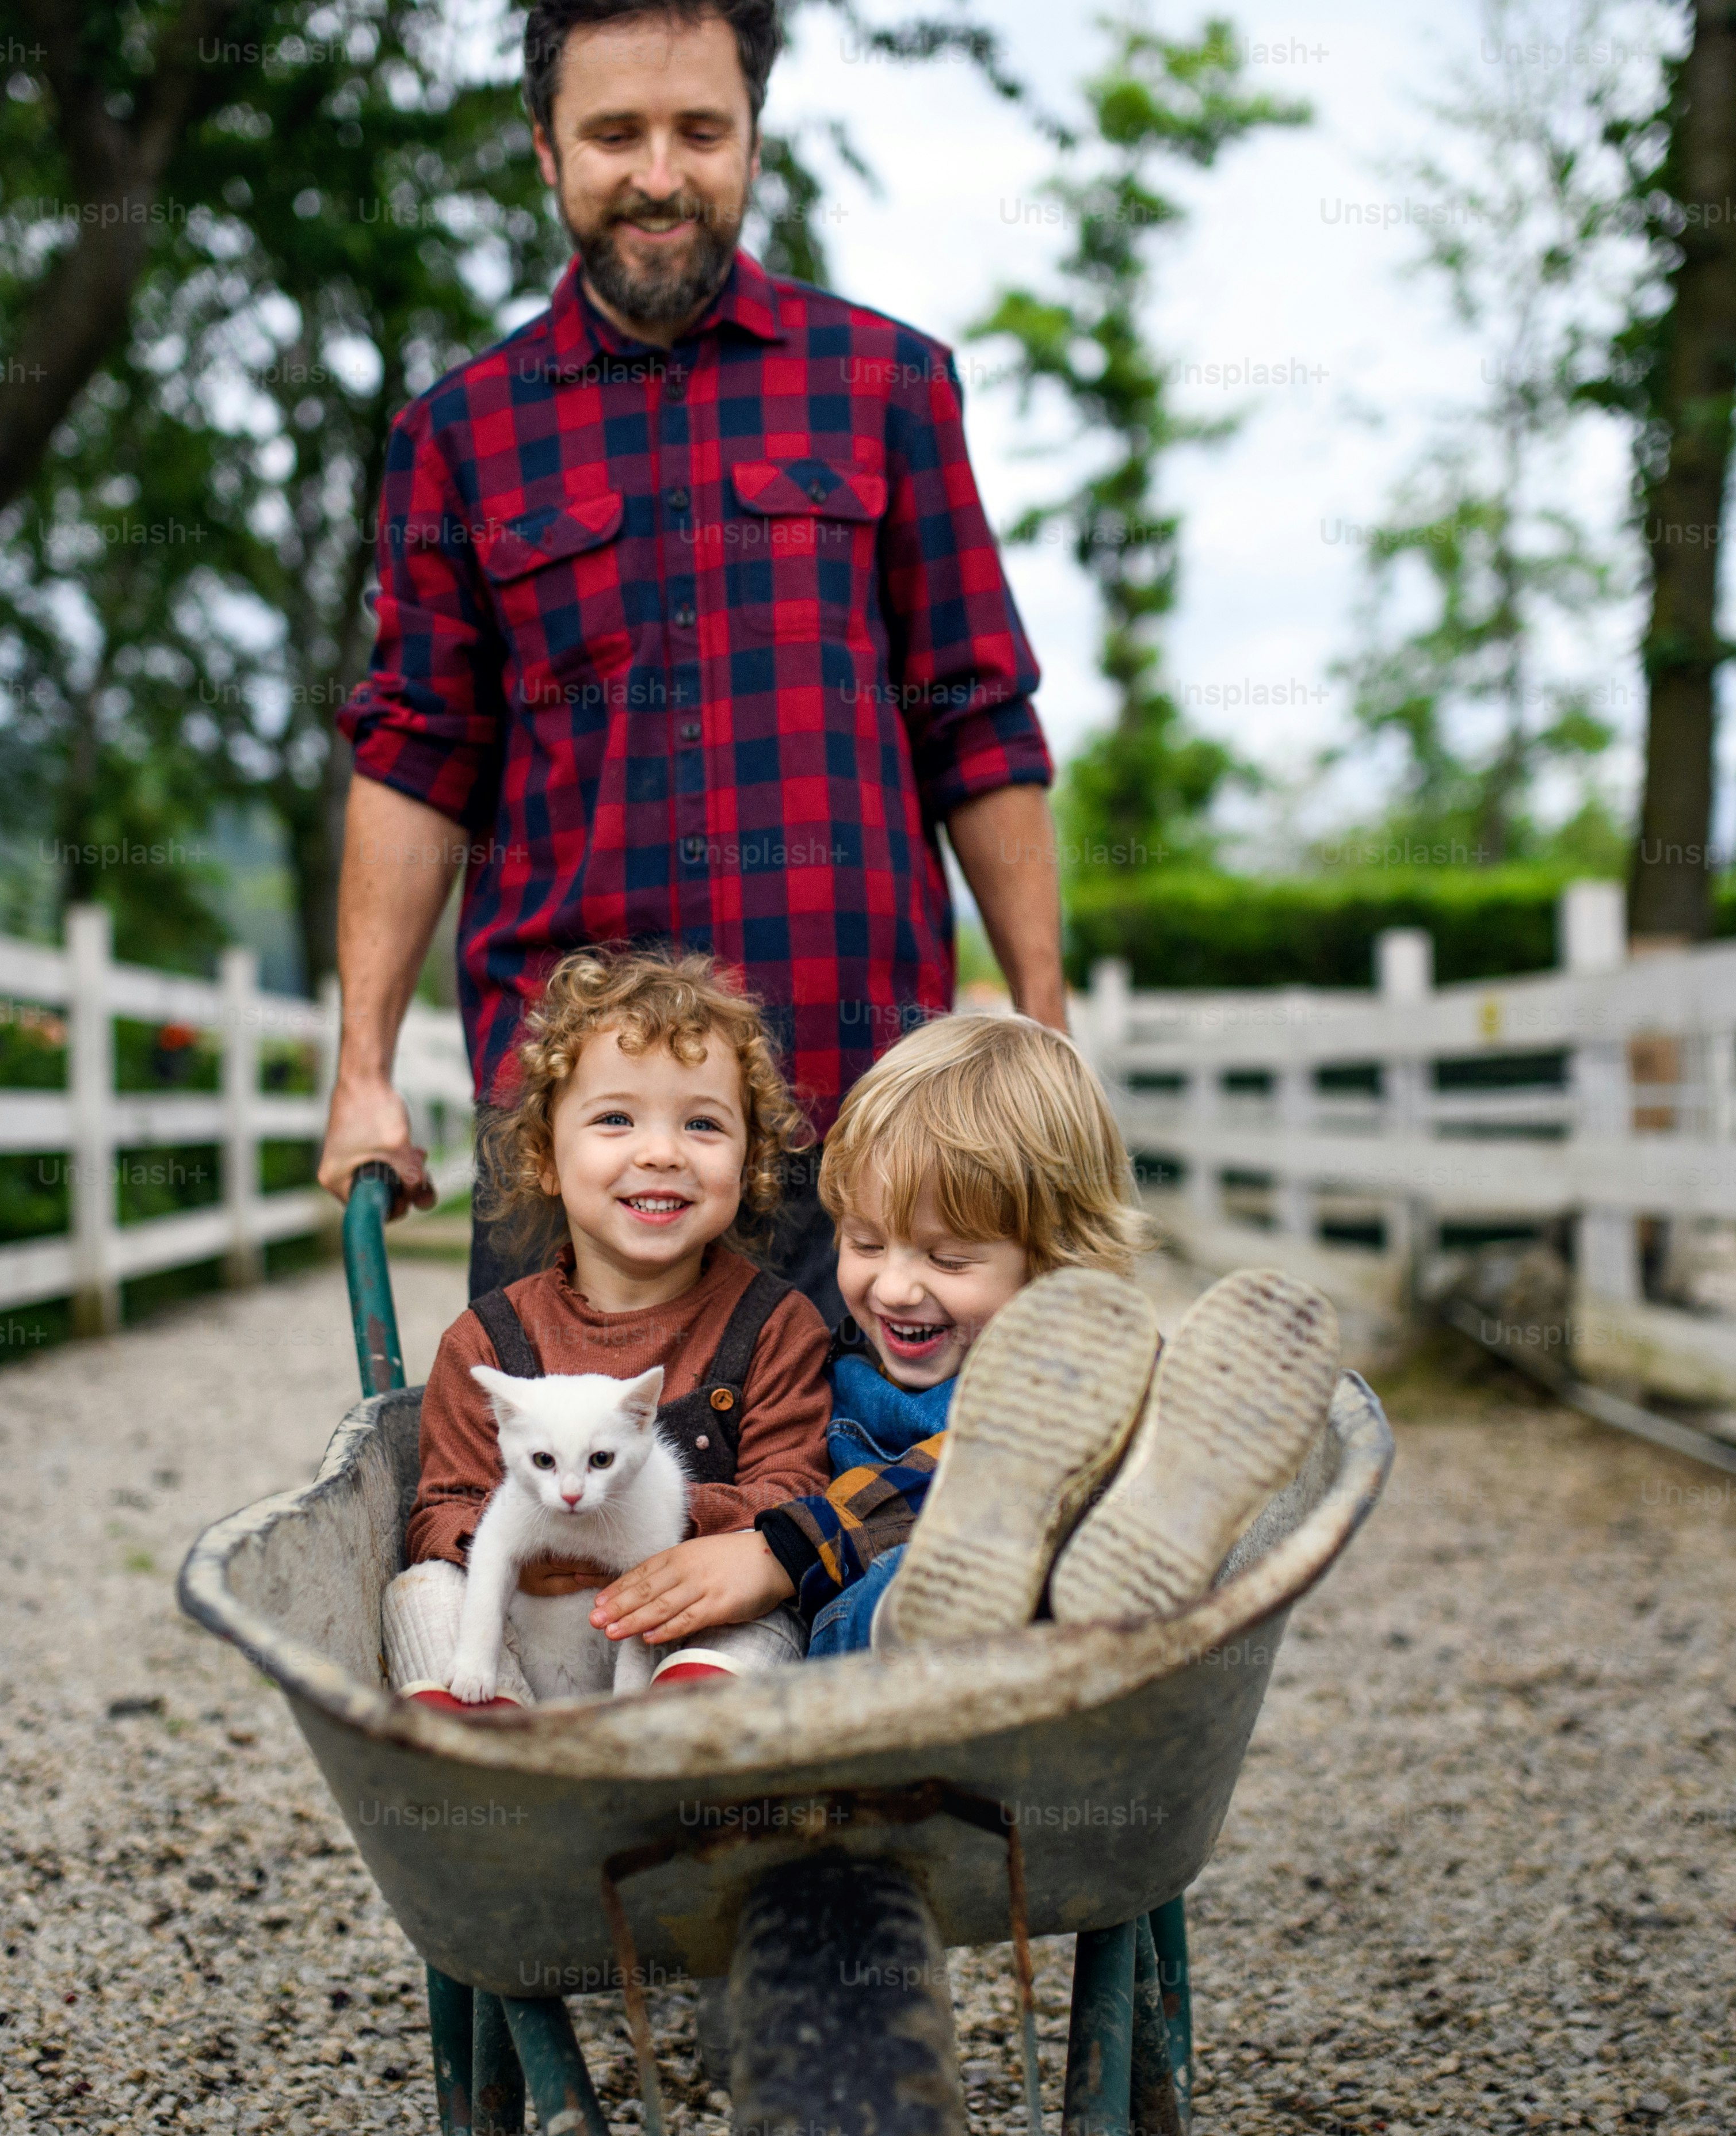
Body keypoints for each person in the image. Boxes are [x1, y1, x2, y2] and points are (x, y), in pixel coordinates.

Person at [318, 0, 1070, 1332]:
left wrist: (1042, 1028)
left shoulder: (887, 389)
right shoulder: (456, 438)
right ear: (546, 150)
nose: (658, 176)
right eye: (615, 133)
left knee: (864, 1513)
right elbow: (416, 758)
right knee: (569, 1520)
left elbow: (977, 719)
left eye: (697, 132)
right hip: (576, 1138)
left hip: (862, 1118)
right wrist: (362, 1070)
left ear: (752, 144)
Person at [583, 1014, 1157, 1658]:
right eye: (866, 1243)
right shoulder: (839, 1357)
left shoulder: (1064, 1370)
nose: (893, 1288)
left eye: (948, 1260)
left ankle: (1141, 1538)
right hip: (889, 1673)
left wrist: (784, 1549)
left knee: (920, 1570)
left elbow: (978, 1471)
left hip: (955, 1633)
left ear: (1054, 1259)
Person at [380, 948, 834, 1709]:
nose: (660, 1152)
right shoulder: (491, 1340)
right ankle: (488, 1749)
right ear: (546, 1157)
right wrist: (522, 1544)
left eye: (702, 1124)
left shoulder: (777, 1328)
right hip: (527, 1641)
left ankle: (677, 1740)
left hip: (684, 1627)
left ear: (752, 1161)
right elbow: (442, 1507)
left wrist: (668, 1519)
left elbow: (795, 1491)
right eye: (616, 1119)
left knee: (764, 1605)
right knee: (424, 1590)